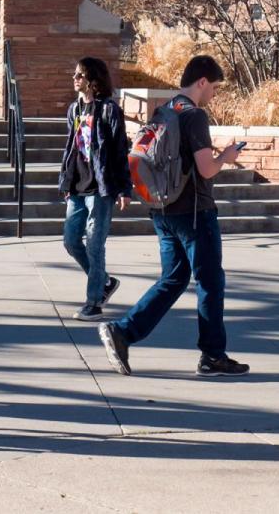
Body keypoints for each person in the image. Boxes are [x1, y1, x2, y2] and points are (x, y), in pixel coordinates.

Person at [98, 55, 250, 377]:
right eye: (215, 87)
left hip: (163, 209)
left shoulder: (164, 111)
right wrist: (227, 156)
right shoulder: (195, 116)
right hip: (195, 211)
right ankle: (212, 355)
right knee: (210, 281)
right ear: (202, 82)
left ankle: (123, 332)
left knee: (174, 278)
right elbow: (206, 168)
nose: (214, 94)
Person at [60, 56, 132, 321]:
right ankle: (104, 282)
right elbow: (71, 150)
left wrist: (124, 189)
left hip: (101, 189)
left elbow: (120, 152)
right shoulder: (75, 110)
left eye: (79, 75)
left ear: (93, 80)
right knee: (70, 241)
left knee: (94, 244)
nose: (74, 79)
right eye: (75, 74)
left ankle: (94, 302)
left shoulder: (109, 110)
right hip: (77, 187)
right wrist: (66, 182)